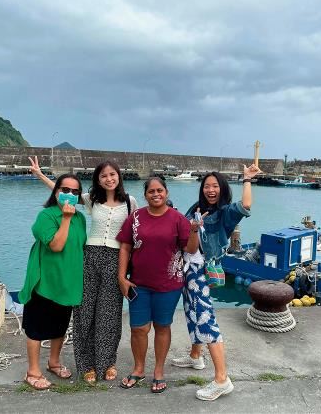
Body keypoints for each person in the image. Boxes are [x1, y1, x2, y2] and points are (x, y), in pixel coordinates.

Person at [28, 157, 138, 384]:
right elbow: (63, 194)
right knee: (84, 312)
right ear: (98, 180)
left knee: (109, 313)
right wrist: (40, 176)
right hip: (90, 256)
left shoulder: (130, 202)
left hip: (116, 259)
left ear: (119, 176)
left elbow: (137, 232)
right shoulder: (92, 200)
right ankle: (86, 364)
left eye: (112, 174)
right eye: (104, 176)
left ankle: (107, 362)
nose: (109, 179)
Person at [172, 164, 261, 401]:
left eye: (215, 186)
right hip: (187, 267)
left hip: (202, 270)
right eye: (207, 186)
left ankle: (222, 379)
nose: (211, 190)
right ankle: (195, 356)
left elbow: (246, 206)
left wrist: (246, 180)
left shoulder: (224, 213)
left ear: (222, 189)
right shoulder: (197, 208)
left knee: (205, 318)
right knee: (191, 313)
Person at [116, 177, 201, 394]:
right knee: (139, 328)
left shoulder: (177, 218)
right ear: (145, 194)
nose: (156, 194)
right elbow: (125, 247)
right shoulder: (135, 217)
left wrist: (193, 230)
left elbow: (190, 250)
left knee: (162, 326)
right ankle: (138, 369)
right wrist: (121, 277)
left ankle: (159, 371)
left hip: (168, 284)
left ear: (166, 192)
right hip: (138, 284)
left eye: (160, 190)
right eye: (151, 191)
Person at [19, 173, 87, 390]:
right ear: (56, 191)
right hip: (45, 282)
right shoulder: (46, 216)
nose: (70, 195)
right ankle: (32, 371)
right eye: (65, 190)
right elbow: (56, 245)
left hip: (68, 283)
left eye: (75, 192)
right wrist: (65, 218)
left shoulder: (81, 218)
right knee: (36, 328)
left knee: (60, 327)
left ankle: (54, 362)